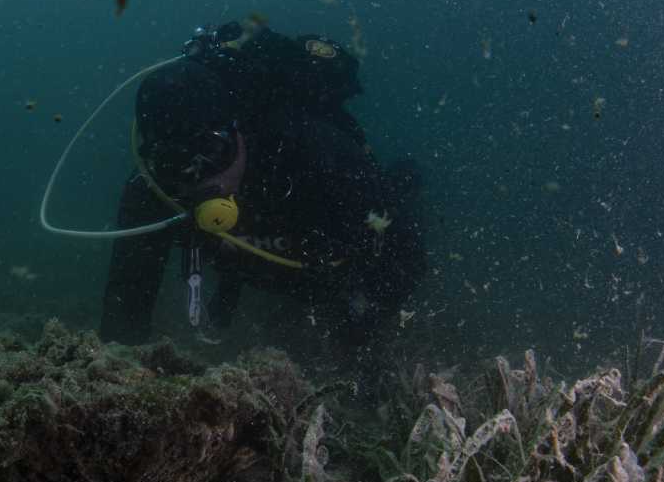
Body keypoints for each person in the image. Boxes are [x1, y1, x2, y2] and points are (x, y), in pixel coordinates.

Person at [99, 20, 424, 381]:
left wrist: (363, 333)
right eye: (178, 164)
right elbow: (124, 314)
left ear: (238, 131)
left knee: (386, 217)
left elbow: (405, 258)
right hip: (260, 265)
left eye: (211, 152)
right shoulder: (153, 190)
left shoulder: (319, 157)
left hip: (322, 257)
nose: (201, 181)